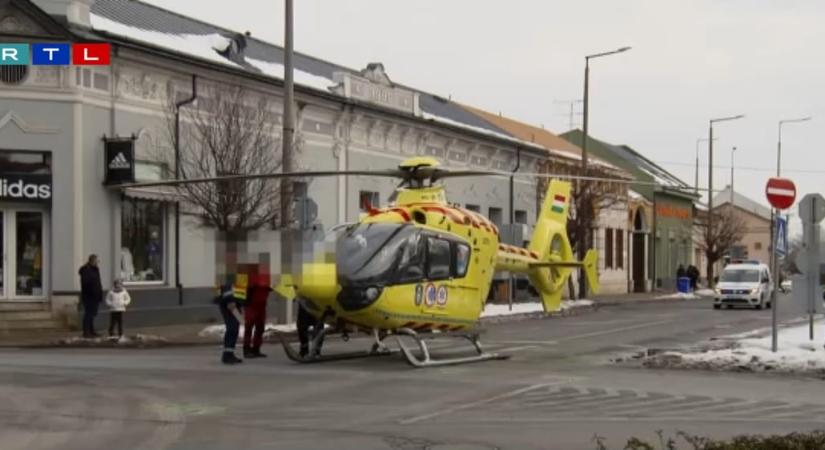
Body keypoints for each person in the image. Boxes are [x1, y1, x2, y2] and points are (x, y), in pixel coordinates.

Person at [216, 271, 247, 365]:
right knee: (232, 328)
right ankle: (227, 355)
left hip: (235, 302)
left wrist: (241, 304)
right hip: (230, 303)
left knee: (234, 327)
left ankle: (229, 353)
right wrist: (230, 301)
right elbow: (226, 286)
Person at [243, 265, 272, 358]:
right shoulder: (250, 271)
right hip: (251, 303)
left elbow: (269, 286)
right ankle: (247, 349)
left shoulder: (266, 272)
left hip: (261, 303)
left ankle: (256, 348)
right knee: (249, 326)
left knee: (260, 327)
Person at [78, 255, 103, 338]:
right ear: (92, 261)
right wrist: (93, 291)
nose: (97, 262)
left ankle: (91, 330)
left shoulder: (95, 269)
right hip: (89, 295)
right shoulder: (86, 270)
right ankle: (86, 332)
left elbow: (98, 282)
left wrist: (99, 293)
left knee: (92, 314)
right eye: (96, 261)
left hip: (95, 295)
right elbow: (86, 283)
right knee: (88, 314)